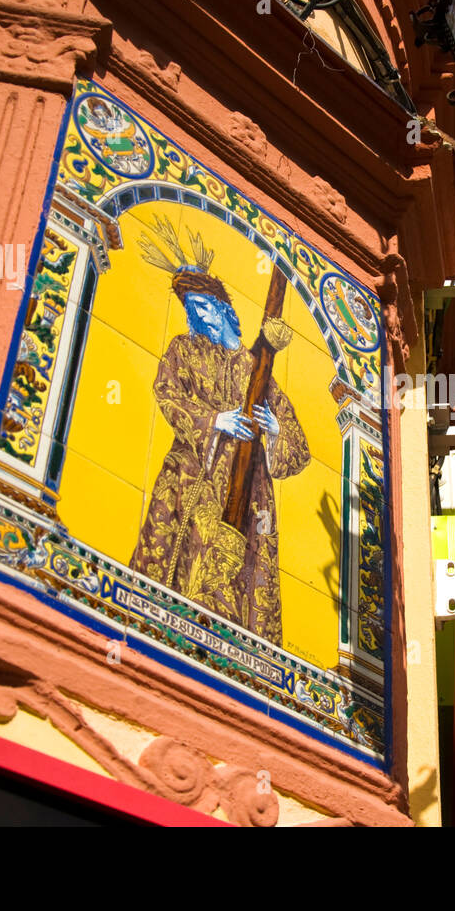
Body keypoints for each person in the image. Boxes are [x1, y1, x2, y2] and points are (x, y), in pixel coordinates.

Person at [130, 267, 309, 644]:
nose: (198, 316)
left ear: (225, 309)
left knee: (238, 571)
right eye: (191, 310)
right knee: (182, 554)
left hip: (249, 490)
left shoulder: (258, 369)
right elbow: (167, 394)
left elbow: (299, 447)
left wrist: (273, 431)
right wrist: (215, 420)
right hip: (192, 475)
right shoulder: (184, 350)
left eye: (205, 307)